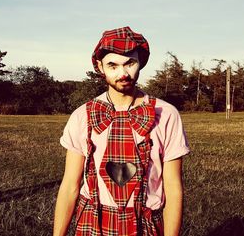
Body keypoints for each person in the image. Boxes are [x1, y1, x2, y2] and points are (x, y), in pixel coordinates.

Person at [53, 26, 190, 236]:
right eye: (112, 65)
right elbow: (70, 185)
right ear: (100, 67)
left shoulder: (166, 114)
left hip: (146, 225)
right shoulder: (82, 116)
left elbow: (173, 188)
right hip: (92, 223)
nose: (123, 73)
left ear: (141, 62)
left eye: (130, 63)